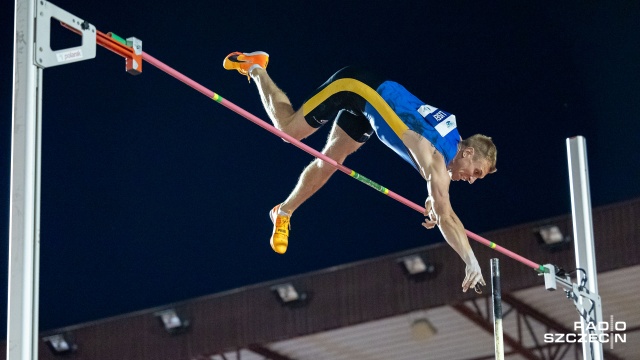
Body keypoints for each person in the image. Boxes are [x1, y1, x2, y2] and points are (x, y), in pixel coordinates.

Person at [223, 51, 497, 293]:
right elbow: (446, 214)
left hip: (371, 106)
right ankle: (256, 66)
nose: (472, 179)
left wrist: (433, 197)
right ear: (469, 153)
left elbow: (434, 168)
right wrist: (470, 260)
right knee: (288, 131)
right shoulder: (438, 158)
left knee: (331, 160)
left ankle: (283, 211)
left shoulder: (453, 143)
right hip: (356, 88)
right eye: (477, 172)